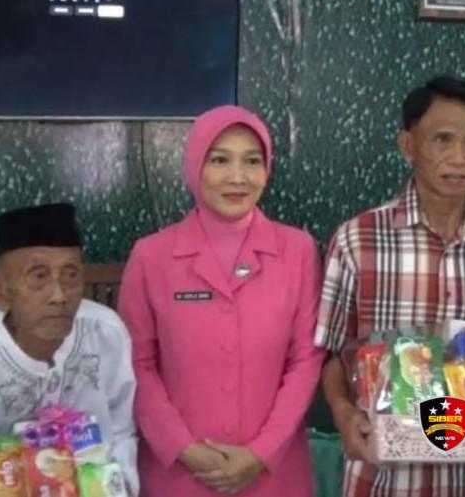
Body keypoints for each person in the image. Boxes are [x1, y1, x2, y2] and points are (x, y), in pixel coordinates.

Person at [314, 75, 465, 497]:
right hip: (386, 482)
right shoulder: (357, 241)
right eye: (442, 140)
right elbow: (331, 354)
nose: (459, 158)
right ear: (408, 145)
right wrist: (345, 414)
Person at [118, 105, 324, 496]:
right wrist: (185, 449)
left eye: (252, 161)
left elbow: (306, 360)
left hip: (273, 473)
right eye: (219, 160)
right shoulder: (151, 256)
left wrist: (261, 452)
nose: (237, 177)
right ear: (195, 165)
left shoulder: (297, 251)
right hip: (179, 475)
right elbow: (136, 364)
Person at [0, 203, 138, 494]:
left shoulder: (106, 332)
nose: (59, 295)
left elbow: (121, 430)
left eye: (70, 275)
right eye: (39, 277)